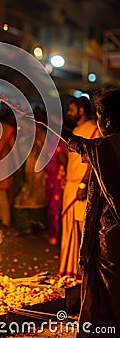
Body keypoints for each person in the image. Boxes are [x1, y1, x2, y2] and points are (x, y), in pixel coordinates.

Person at [62, 87, 120, 338]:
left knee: (109, 293)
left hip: (111, 239)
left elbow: (79, 145)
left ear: (106, 119)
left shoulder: (105, 148)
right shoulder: (104, 148)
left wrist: (43, 122)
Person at [59, 96, 100, 279]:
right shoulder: (76, 130)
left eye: (71, 109)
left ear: (81, 110)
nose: (68, 113)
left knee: (85, 230)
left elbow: (93, 159)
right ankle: (70, 270)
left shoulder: (94, 129)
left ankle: (86, 273)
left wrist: (84, 183)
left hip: (83, 187)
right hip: (70, 185)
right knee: (70, 228)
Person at [13, 123, 48, 235]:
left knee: (36, 200)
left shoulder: (41, 135)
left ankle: (38, 228)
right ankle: (27, 228)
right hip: (28, 170)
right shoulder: (27, 137)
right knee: (22, 200)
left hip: (39, 173)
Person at [45, 135, 68, 245]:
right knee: (51, 207)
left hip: (59, 178)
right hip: (50, 179)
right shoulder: (50, 139)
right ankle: (53, 232)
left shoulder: (64, 140)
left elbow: (65, 159)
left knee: (57, 207)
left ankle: (57, 235)